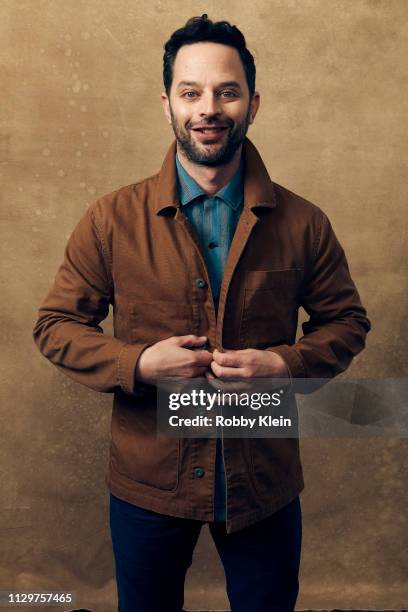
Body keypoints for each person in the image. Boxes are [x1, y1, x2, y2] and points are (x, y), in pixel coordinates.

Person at [33, 14, 371, 612]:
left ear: (253, 103)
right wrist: (138, 363)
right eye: (191, 93)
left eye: (227, 91)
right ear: (168, 105)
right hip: (148, 481)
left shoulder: (305, 223)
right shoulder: (110, 219)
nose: (208, 108)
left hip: (261, 479)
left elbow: (347, 324)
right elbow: (55, 326)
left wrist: (285, 363)